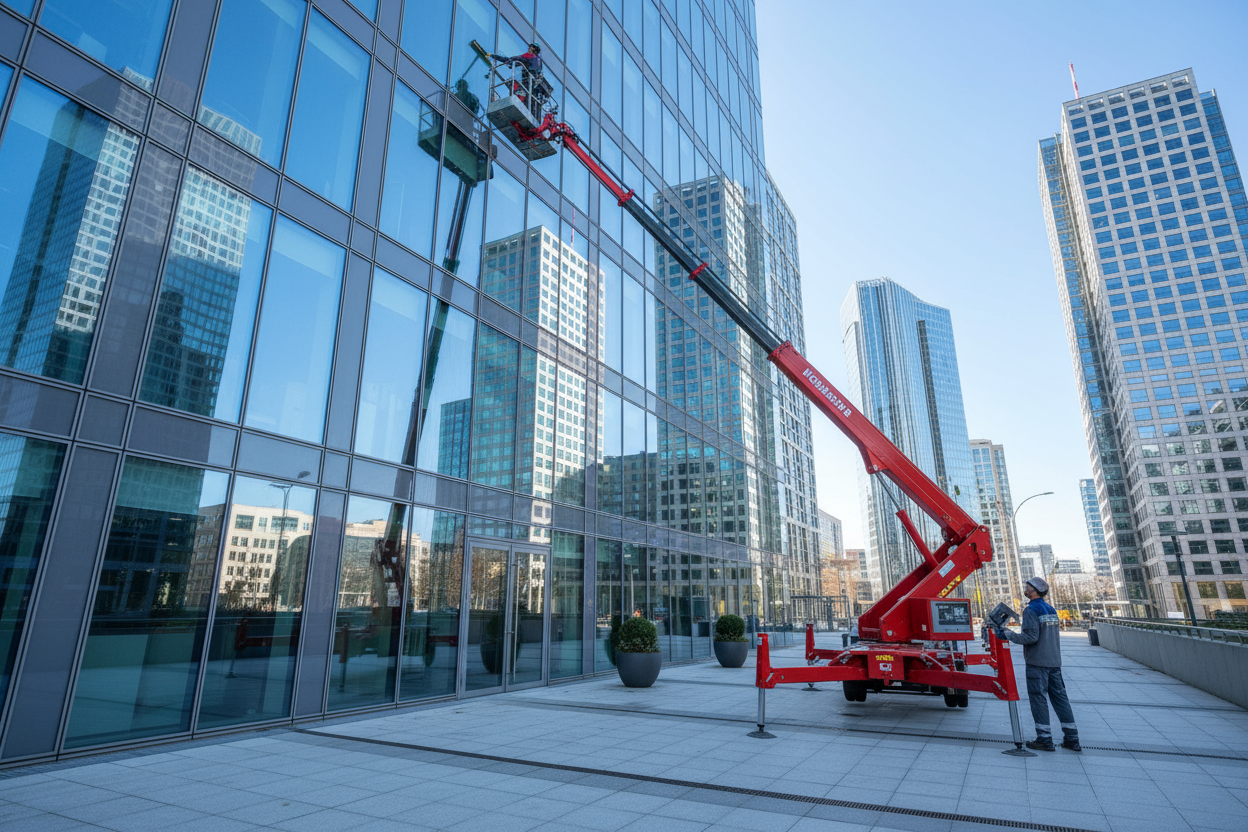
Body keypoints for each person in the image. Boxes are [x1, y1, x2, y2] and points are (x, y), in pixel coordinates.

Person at [994, 577, 1081, 753]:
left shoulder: (1031, 610)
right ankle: (1072, 738)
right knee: (1060, 700)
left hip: (1037, 663)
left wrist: (1007, 633)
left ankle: (1044, 739)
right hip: (1054, 662)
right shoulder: (1051, 609)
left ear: (1034, 590)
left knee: (1038, 699)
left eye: (1028, 587)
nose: (1025, 588)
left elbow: (1030, 637)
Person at [492, 43, 548, 116]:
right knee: (526, 100)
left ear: (533, 49)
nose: (529, 48)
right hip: (532, 85)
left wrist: (494, 56)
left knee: (515, 89)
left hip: (527, 81)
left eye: (531, 47)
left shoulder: (531, 56)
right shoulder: (538, 61)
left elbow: (514, 59)